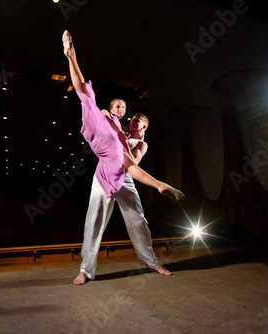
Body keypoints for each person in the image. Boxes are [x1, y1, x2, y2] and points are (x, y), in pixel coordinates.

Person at [62, 30, 185, 285]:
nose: (134, 121)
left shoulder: (139, 143)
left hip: (126, 177)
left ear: (145, 128)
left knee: (137, 221)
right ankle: (86, 269)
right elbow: (105, 117)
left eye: (139, 121)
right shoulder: (115, 128)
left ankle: (151, 261)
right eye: (131, 117)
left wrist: (121, 136)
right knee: (93, 222)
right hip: (104, 174)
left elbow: (133, 163)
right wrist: (111, 121)